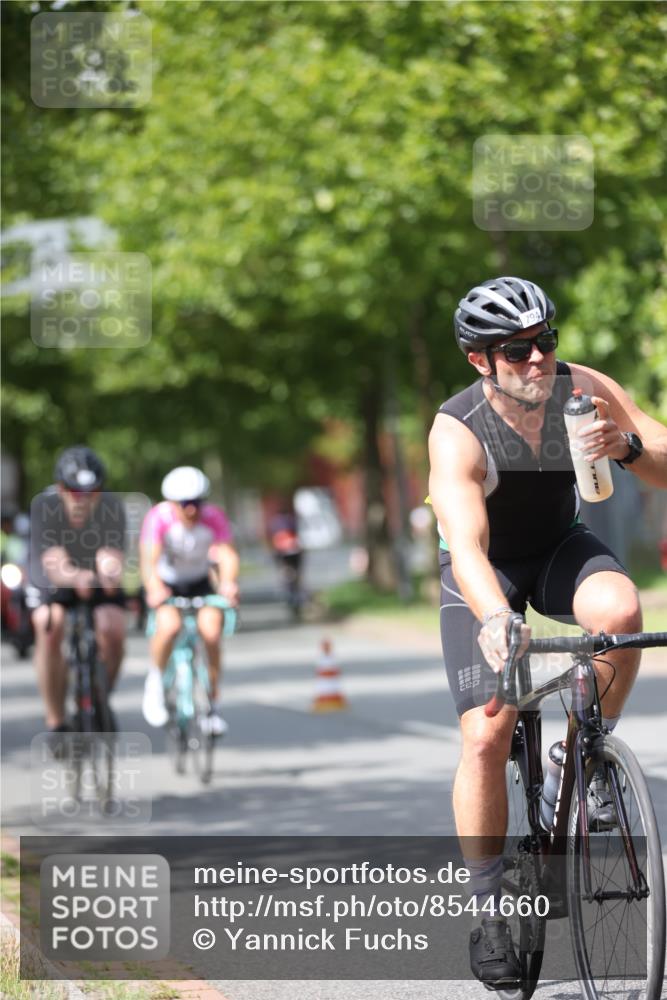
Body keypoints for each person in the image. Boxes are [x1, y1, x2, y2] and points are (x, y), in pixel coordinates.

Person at [428, 276, 667, 989]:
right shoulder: (457, 429)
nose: (536, 360)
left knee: (621, 617)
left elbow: (662, 457)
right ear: (480, 360)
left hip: (559, 546)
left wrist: (623, 444)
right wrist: (497, 620)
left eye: (545, 342)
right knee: (485, 731)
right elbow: (466, 547)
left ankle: (577, 758)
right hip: (483, 571)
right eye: (515, 350)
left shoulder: (582, 387)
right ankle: (491, 904)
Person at [29, 446, 126, 737]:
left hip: (92, 573)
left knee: (113, 626)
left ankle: (99, 696)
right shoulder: (46, 507)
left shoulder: (112, 506)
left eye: (92, 492)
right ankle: (56, 719)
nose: (83, 499)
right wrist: (78, 576)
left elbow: (112, 556)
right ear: (61, 488)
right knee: (50, 625)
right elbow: (55, 564)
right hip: (53, 573)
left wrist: (108, 572)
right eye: (75, 492)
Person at [140, 466, 239, 734]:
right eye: (185, 504)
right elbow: (149, 560)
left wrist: (229, 583)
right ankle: (156, 682)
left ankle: (211, 705)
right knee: (169, 627)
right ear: (172, 502)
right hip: (168, 584)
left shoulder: (213, 518)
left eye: (197, 502)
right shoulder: (158, 518)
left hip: (199, 583)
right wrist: (155, 587)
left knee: (211, 632)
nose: (192, 510)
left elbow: (227, 555)